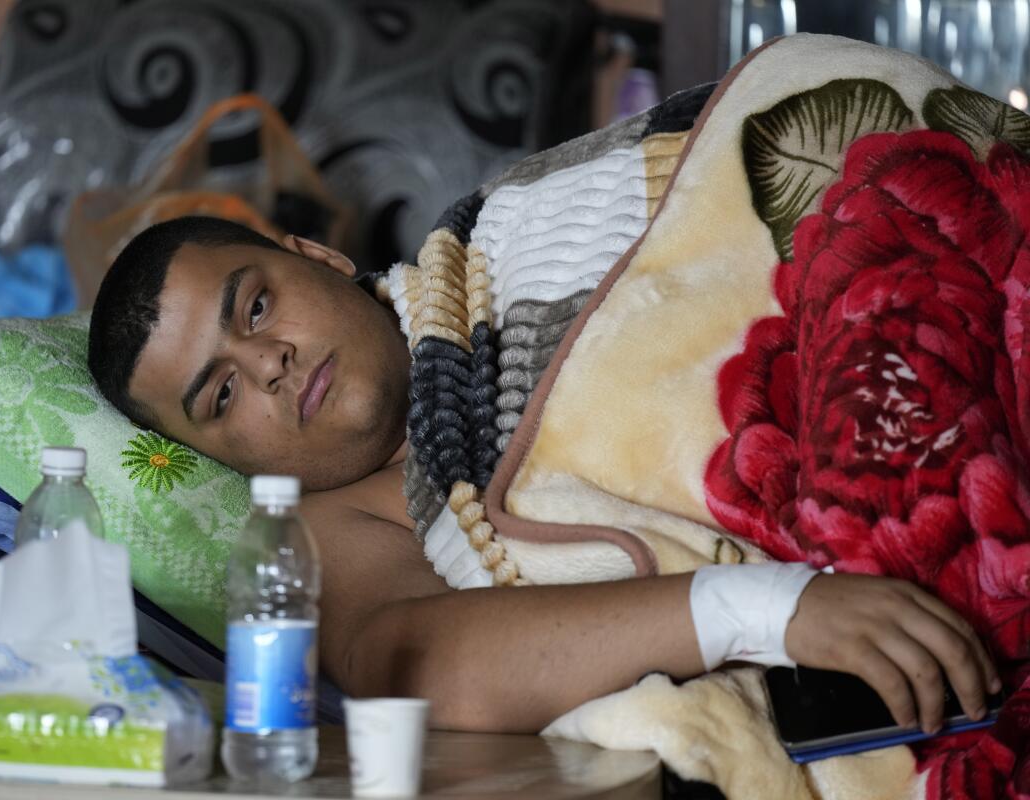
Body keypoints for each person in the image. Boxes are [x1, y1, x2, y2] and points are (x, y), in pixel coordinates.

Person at [88, 215, 1000, 737]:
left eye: (255, 306)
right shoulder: (323, 535)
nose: (270, 363)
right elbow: (424, 662)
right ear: (218, 455)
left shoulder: (520, 236)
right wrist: (768, 608)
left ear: (319, 258)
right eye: (220, 395)